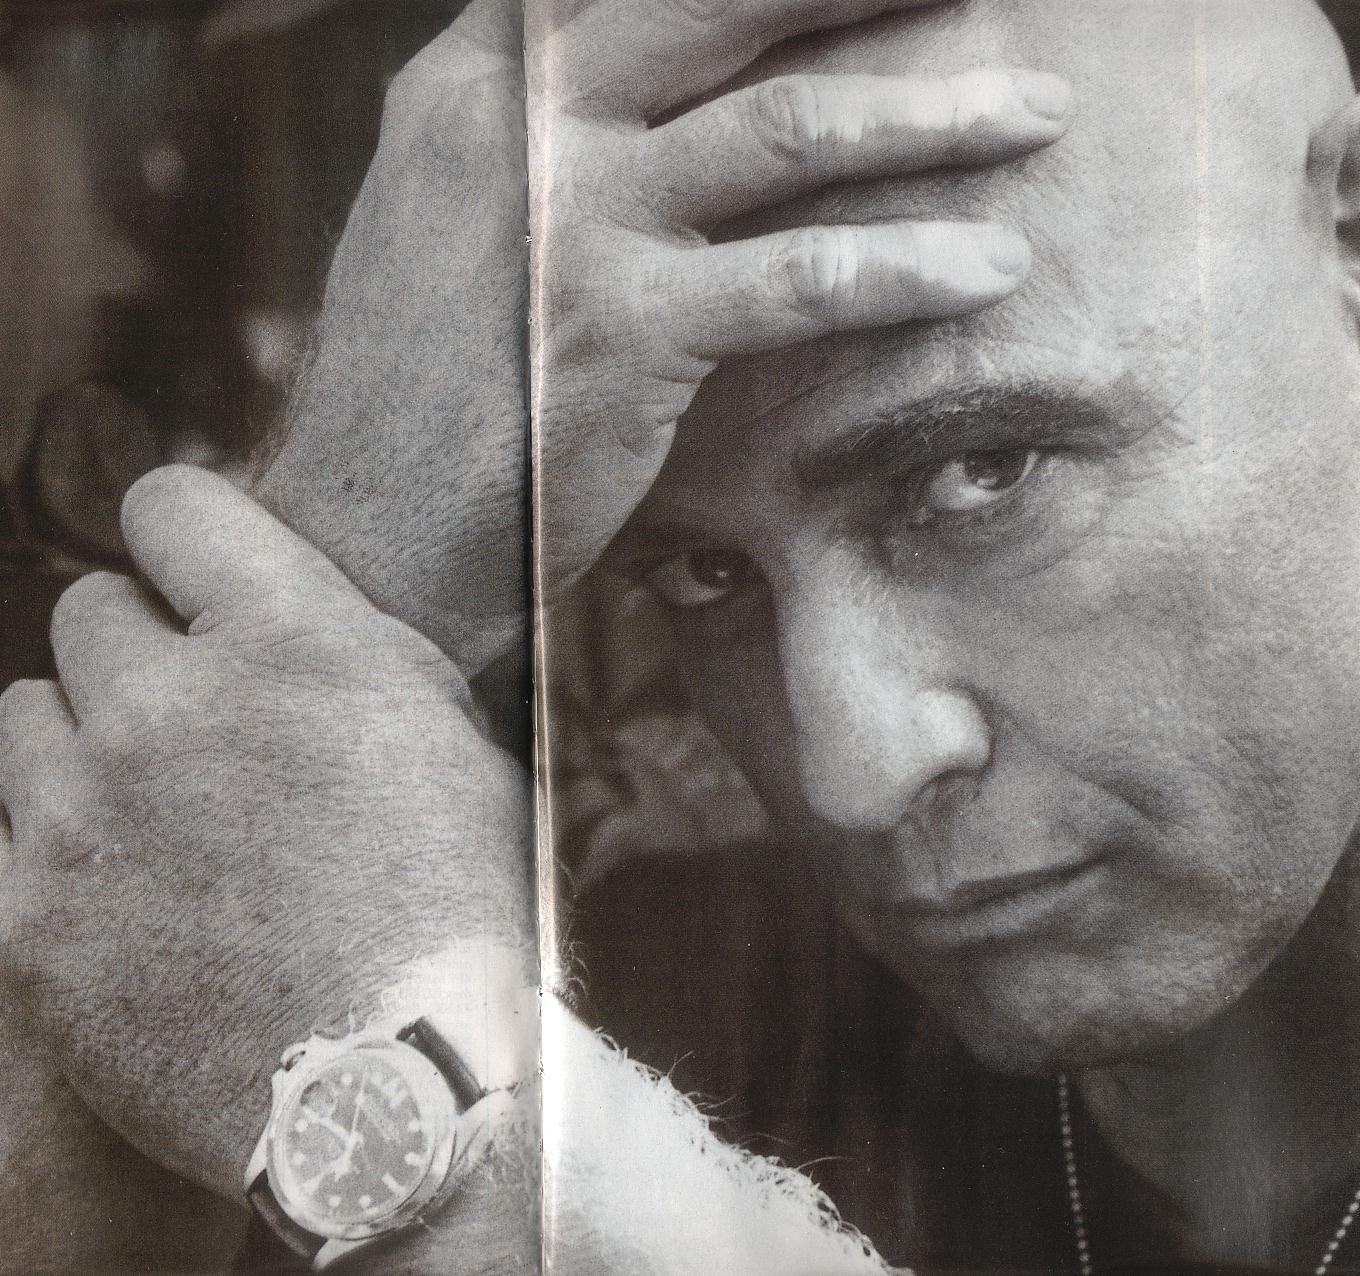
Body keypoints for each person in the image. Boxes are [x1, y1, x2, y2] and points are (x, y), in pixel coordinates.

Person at [4, 0, 1360, 1272]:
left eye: (985, 473)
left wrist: (465, 1147)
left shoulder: (499, 1026)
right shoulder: (671, 990)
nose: (852, 772)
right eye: (705, 573)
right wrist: (363, 544)